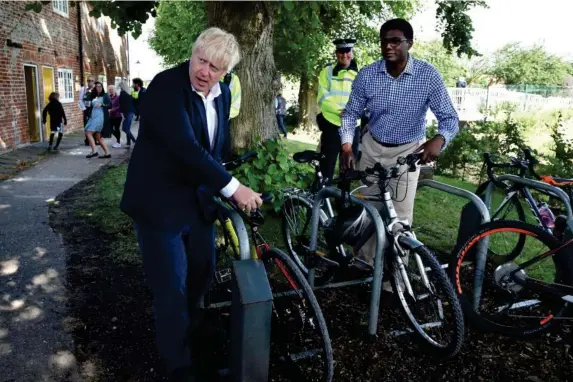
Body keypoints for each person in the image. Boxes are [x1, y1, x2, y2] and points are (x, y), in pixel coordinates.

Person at [120, 27, 262, 381]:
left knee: (202, 272)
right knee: (171, 285)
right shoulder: (166, 87)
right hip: (158, 203)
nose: (204, 71)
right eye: (201, 60)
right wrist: (233, 188)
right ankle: (178, 364)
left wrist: (220, 179)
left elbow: (214, 148)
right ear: (193, 52)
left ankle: (191, 328)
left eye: (215, 68)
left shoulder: (224, 93)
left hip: (197, 203)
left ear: (225, 73)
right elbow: (185, 149)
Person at [339, 18, 459, 276]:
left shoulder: (428, 76)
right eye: (384, 41)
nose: (388, 46)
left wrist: (440, 138)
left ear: (409, 43)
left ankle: (394, 281)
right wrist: (347, 146)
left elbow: (449, 118)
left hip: (407, 153)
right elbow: (350, 115)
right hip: (371, 148)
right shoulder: (368, 74)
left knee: (400, 220)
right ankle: (364, 266)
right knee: (367, 212)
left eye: (395, 41)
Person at [316, 38, 361, 183]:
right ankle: (321, 198)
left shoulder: (360, 74)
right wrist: (339, 111)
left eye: (347, 51)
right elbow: (323, 97)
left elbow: (365, 98)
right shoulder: (327, 71)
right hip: (332, 123)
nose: (344, 55)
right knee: (326, 164)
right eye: (341, 52)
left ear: (352, 53)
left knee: (348, 165)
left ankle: (344, 201)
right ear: (336, 54)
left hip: (353, 125)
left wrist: (351, 112)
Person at [84, 81, 112, 159]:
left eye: (100, 86)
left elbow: (110, 105)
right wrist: (87, 91)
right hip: (93, 116)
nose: (99, 88)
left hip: (100, 117)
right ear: (95, 88)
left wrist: (102, 105)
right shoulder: (92, 96)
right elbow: (85, 100)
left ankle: (94, 151)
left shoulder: (105, 96)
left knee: (88, 132)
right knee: (98, 138)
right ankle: (107, 153)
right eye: (97, 86)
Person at [118, 81, 137, 148]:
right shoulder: (128, 93)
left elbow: (121, 105)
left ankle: (135, 141)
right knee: (127, 128)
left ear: (122, 87)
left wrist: (122, 114)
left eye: (120, 86)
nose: (119, 87)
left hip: (127, 112)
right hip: (131, 112)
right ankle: (128, 143)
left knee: (125, 128)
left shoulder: (122, 93)